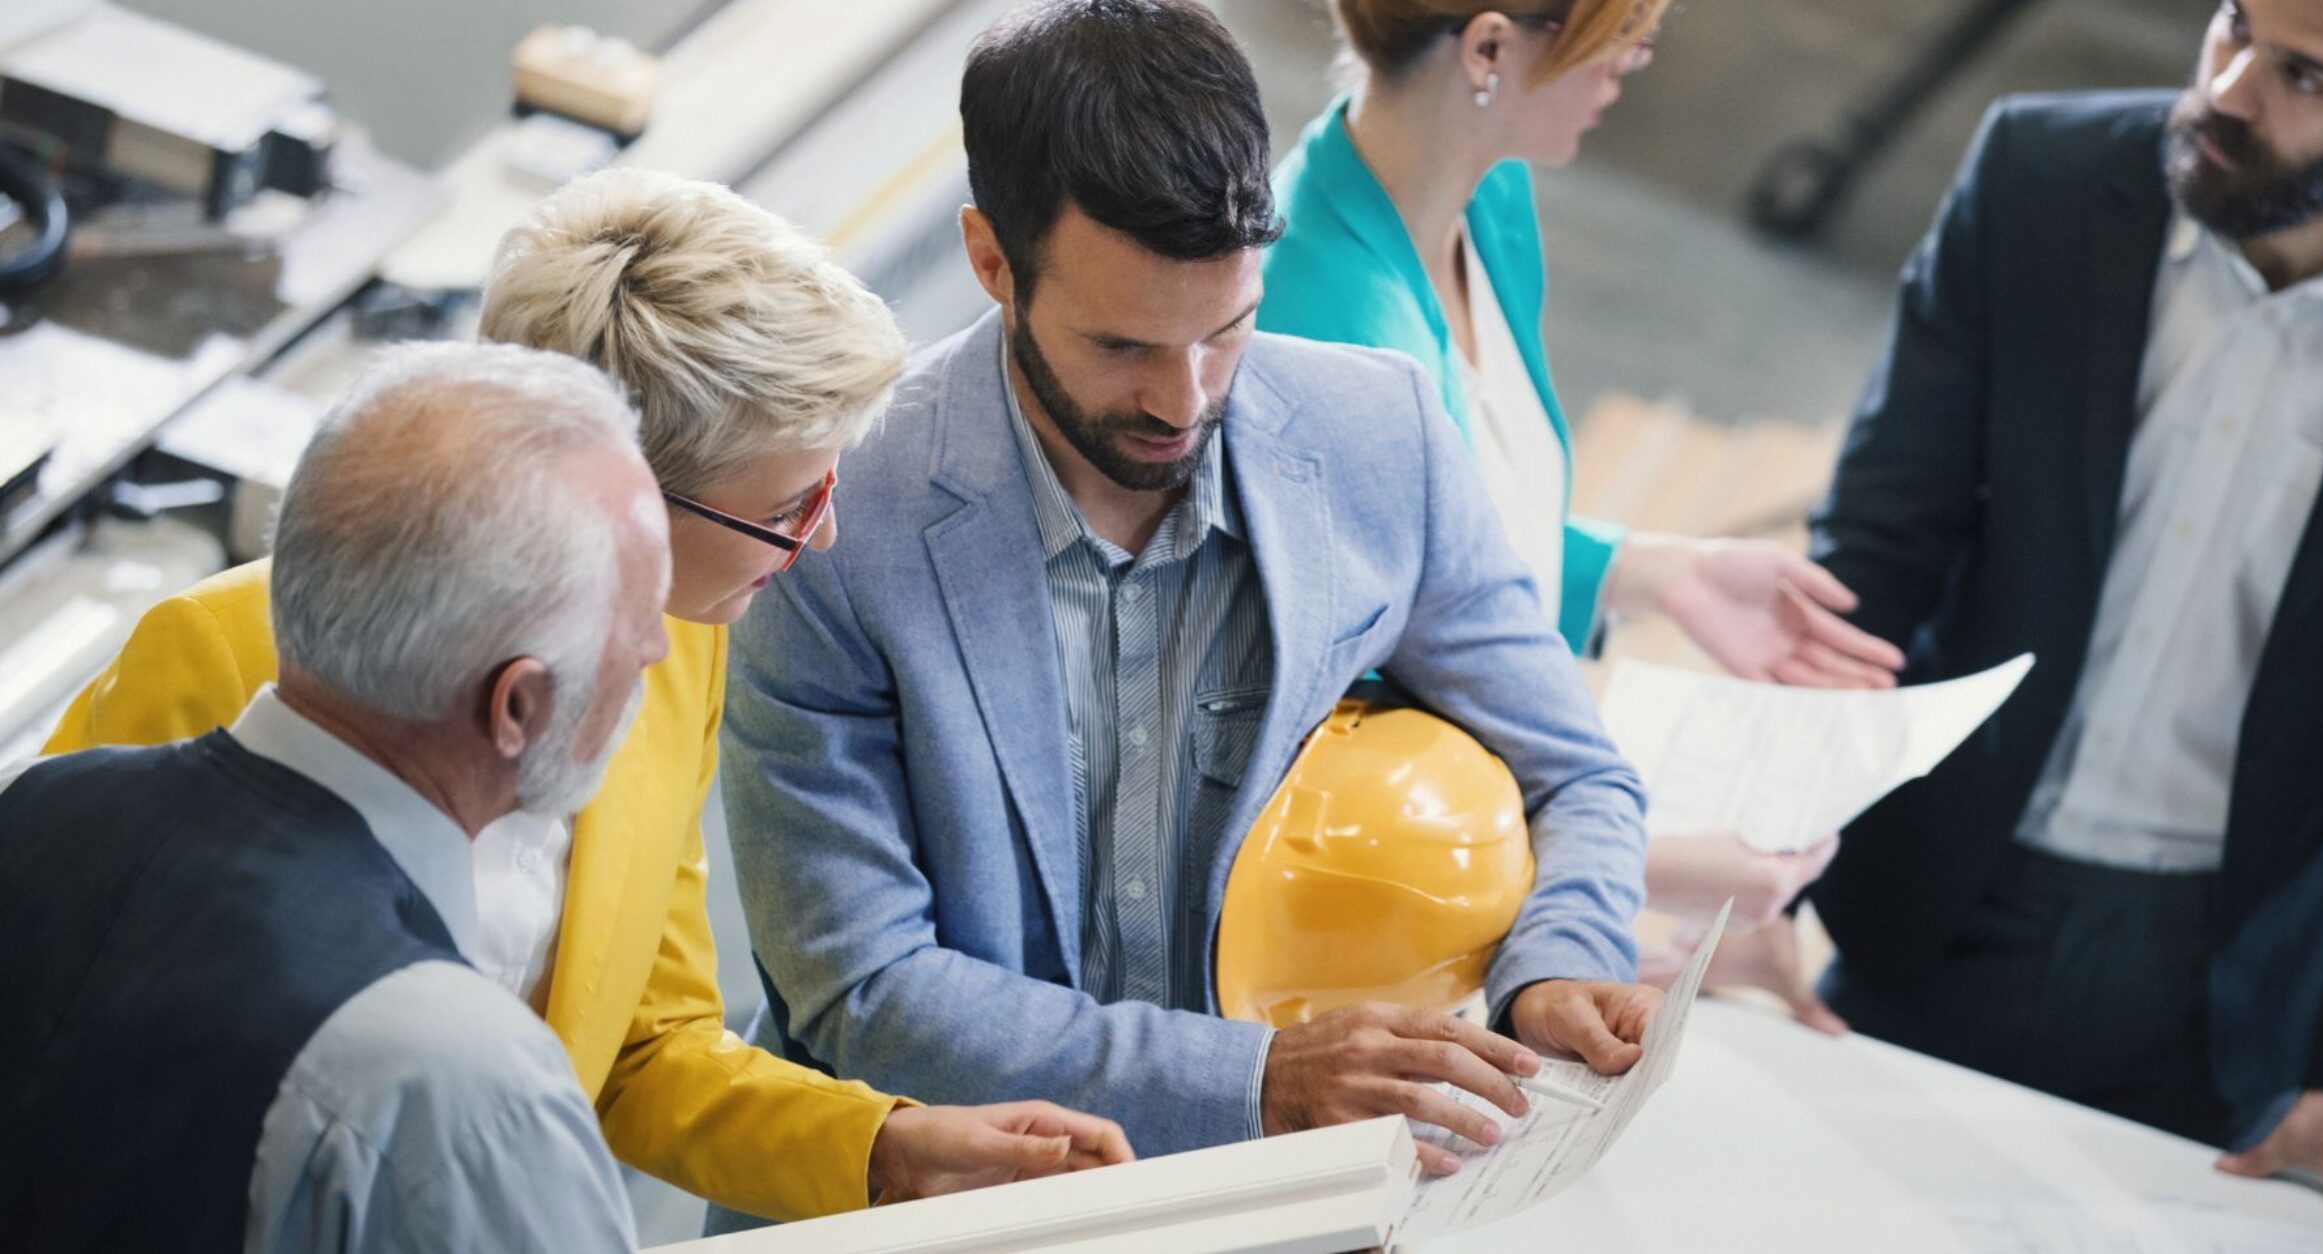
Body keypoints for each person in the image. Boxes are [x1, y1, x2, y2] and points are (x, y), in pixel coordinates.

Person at [42, 170, 1129, 1223]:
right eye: (790, 505)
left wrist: (884, 1150)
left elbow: (642, 1050)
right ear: (616, 500)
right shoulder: (210, 658)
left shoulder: (681, 648)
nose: (823, 537)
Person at [720, 0, 1660, 1185]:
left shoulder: (1380, 438)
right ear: (991, 260)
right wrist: (1252, 1078)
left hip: (1292, 1186)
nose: (1185, 397)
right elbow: (861, 989)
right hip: (952, 1190)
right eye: (1123, 347)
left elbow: (1576, 772)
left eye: (1229, 329)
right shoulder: (838, 516)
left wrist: (1558, 963)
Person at [1806, 1, 2323, 1249]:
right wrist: (1758, 880)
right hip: (1940, 884)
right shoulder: (2037, 176)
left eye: (2300, 76)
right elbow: (1875, 551)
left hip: (2222, 977)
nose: (2229, 89)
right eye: (2233, 26)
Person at [1259, 0, 1889, 1033]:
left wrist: (1652, 571)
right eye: (1624, 36)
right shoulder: (1324, 336)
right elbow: (1330, 766)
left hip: (1491, 818)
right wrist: (1635, 867)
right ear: (1491, 47)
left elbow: (1440, 554)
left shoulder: (1486, 196)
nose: (1637, 62)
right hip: (1374, 920)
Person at [1, 344, 658, 1252]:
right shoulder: (457, 1087)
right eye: (639, 621)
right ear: (517, 706)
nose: (659, 650)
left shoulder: (32, 807)